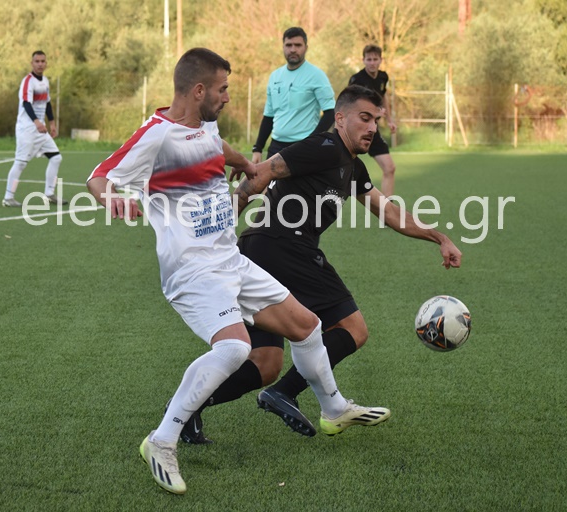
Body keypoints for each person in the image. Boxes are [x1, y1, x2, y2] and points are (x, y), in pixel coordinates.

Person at [86, 49, 389, 496]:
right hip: (192, 270)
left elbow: (214, 146)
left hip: (231, 259)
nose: (228, 97)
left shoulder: (204, 125)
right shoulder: (157, 134)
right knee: (234, 348)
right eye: (223, 89)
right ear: (199, 90)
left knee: (306, 326)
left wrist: (243, 163)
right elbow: (99, 176)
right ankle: (162, 440)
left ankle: (333, 408)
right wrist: (111, 198)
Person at [178, 85, 461, 444]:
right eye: (364, 118)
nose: (371, 128)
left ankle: (187, 410)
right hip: (282, 248)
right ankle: (289, 394)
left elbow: (390, 213)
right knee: (353, 328)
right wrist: (218, 233)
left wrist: (439, 237)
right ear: (339, 118)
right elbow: (260, 173)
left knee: (265, 362)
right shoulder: (323, 147)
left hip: (260, 252)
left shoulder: (353, 168)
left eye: (376, 120)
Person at [251, 27, 335, 164]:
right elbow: (268, 116)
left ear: (306, 48)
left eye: (298, 45)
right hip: (276, 146)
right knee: (265, 179)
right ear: (283, 47)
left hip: (304, 147)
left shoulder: (317, 75)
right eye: (289, 45)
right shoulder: (275, 76)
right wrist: (258, 147)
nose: (293, 49)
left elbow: (330, 112)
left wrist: (312, 141)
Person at [3, 50, 67, 207]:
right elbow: (26, 103)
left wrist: (52, 123)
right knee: (21, 163)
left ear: (46, 63)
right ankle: (8, 197)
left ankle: (49, 193)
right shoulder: (28, 81)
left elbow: (47, 103)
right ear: (32, 63)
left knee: (56, 158)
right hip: (27, 129)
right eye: (37, 61)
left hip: (41, 130)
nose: (40, 64)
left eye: (42, 61)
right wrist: (37, 122)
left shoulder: (45, 81)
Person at [348, 44, 397, 197]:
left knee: (389, 168)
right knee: (343, 172)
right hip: (354, 132)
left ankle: (387, 208)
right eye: (369, 59)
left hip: (372, 130)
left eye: (375, 59)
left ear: (381, 60)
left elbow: (383, 97)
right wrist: (374, 112)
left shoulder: (383, 77)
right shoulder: (357, 80)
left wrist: (389, 120)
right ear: (363, 60)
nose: (372, 63)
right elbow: (352, 106)